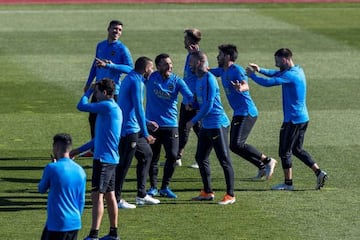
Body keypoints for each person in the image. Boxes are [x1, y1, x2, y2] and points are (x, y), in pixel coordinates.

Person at [245, 48, 328, 191]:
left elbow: (268, 83)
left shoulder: (290, 76)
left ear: (284, 59)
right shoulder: (297, 70)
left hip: (292, 120)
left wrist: (252, 76)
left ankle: (288, 183)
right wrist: (260, 69)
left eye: (277, 61)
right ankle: (319, 173)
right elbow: (276, 73)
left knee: (285, 151)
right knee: (297, 149)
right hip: (302, 118)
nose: (276, 64)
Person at [209, 44, 277, 180]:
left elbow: (246, 85)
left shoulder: (236, 70)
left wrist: (241, 88)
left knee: (237, 144)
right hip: (239, 112)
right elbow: (208, 71)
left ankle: (268, 161)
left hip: (246, 111)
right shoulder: (223, 70)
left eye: (220, 54)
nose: (218, 56)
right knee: (234, 146)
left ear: (227, 56)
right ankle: (261, 166)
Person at [72, 78, 122, 240]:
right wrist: (77, 151)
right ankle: (113, 233)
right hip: (111, 159)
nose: (96, 94)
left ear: (105, 93)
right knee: (110, 195)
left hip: (103, 160)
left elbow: (81, 105)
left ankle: (94, 234)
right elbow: (98, 138)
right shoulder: (113, 108)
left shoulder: (106, 105)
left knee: (97, 196)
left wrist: (88, 90)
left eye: (98, 92)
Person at [187, 51, 236, 205]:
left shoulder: (209, 79)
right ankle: (207, 192)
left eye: (192, 62)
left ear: (199, 63)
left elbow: (208, 105)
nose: (189, 65)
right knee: (200, 157)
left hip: (217, 124)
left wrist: (193, 120)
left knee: (224, 159)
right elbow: (201, 102)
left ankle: (230, 195)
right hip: (207, 125)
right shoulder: (198, 79)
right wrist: (193, 105)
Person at [145, 53, 194, 199]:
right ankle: (153, 187)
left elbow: (189, 95)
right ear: (158, 66)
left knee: (173, 155)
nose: (170, 67)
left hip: (171, 125)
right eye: (166, 64)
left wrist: (192, 103)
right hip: (152, 125)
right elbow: (132, 74)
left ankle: (165, 187)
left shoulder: (177, 81)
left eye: (171, 64)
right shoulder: (150, 77)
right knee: (153, 157)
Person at [115, 56, 160, 209]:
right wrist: (146, 132)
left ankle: (141, 195)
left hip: (133, 127)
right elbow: (138, 108)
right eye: (151, 68)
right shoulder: (137, 82)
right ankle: (116, 199)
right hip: (129, 130)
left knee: (146, 155)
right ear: (146, 68)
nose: (152, 71)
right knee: (123, 164)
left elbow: (130, 108)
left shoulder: (131, 78)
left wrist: (146, 122)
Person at [83, 20, 133, 148]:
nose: (117, 31)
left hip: (112, 92)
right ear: (108, 29)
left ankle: (115, 146)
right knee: (93, 119)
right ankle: (94, 148)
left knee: (112, 120)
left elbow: (130, 69)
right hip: (98, 90)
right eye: (115, 28)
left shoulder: (122, 49)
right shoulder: (100, 45)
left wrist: (111, 66)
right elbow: (94, 66)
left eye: (120, 30)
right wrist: (89, 83)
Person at [38, 133, 86, 240]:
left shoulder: (52, 168)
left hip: (57, 223)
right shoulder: (80, 170)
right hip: (74, 222)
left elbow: (41, 189)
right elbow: (81, 200)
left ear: (57, 147)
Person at [176, 28, 202, 168]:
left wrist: (195, 100)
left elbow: (201, 77)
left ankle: (201, 159)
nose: (184, 41)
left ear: (190, 41)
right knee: (183, 129)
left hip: (194, 101)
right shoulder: (190, 55)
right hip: (187, 99)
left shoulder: (198, 57)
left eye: (186, 39)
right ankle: (178, 156)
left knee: (199, 130)